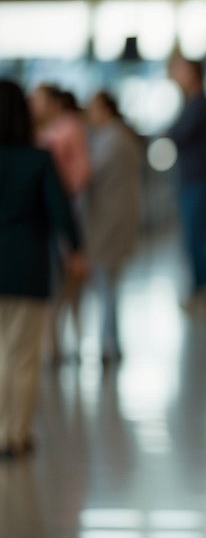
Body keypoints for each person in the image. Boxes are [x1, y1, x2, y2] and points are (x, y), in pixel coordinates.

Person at [0, 80, 86, 458]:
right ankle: (13, 432)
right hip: (26, 264)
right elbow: (60, 210)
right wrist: (76, 249)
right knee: (22, 354)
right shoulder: (38, 158)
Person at [30, 83, 91, 359]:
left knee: (66, 281)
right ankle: (52, 342)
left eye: (39, 100)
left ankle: (67, 340)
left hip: (61, 215)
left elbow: (81, 170)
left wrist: (60, 195)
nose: (33, 105)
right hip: (45, 218)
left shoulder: (69, 127)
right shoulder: (43, 131)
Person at [84, 90, 144, 361]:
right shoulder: (119, 136)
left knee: (106, 282)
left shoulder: (112, 139)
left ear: (106, 109)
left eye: (93, 108)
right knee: (109, 283)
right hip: (117, 216)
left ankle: (108, 344)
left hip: (110, 218)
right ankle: (111, 341)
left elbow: (90, 174)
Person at [166, 53, 206, 311]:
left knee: (198, 238)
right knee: (199, 237)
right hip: (198, 179)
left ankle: (201, 291)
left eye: (181, 70)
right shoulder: (194, 102)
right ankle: (201, 289)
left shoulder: (198, 104)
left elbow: (177, 134)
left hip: (200, 181)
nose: (176, 75)